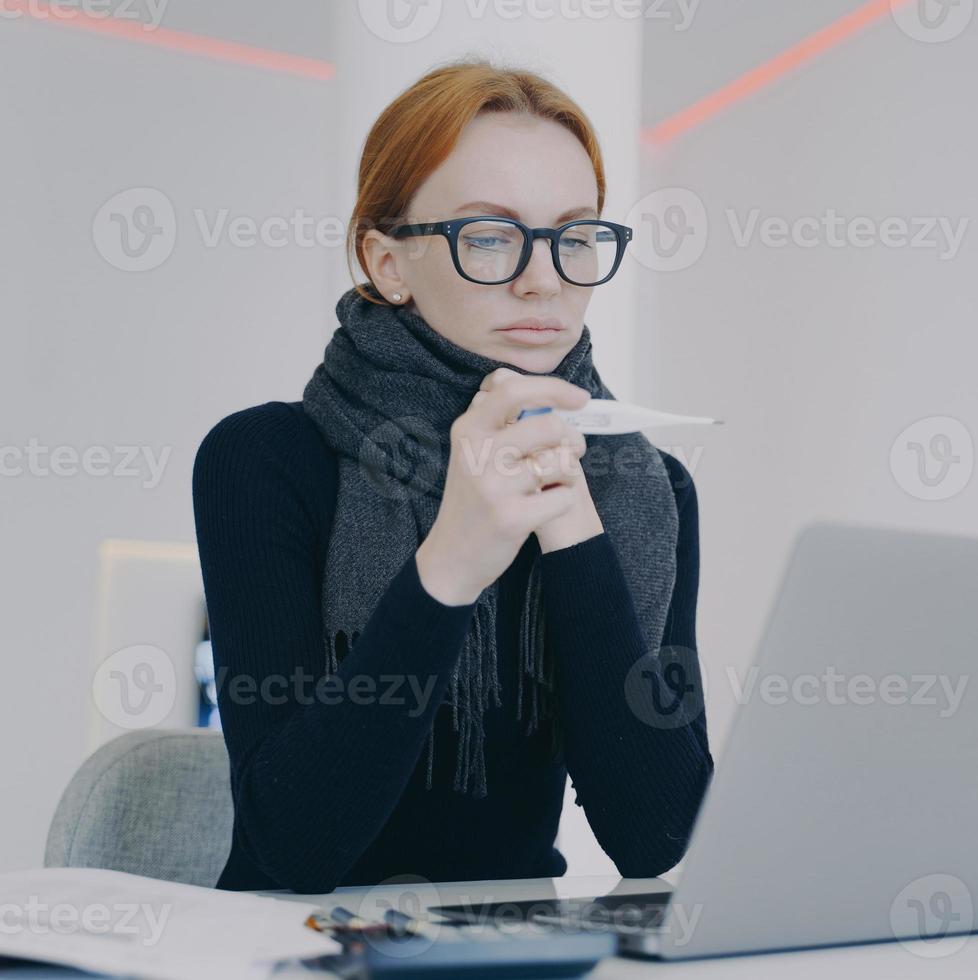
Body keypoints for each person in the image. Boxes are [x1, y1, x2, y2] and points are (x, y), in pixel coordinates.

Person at [191, 58, 713, 893]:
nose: (543, 277)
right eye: (491, 236)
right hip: (291, 948)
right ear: (388, 261)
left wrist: (572, 520)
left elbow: (656, 834)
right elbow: (295, 846)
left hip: (519, 944)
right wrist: (454, 559)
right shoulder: (264, 461)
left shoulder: (647, 487)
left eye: (574, 235)